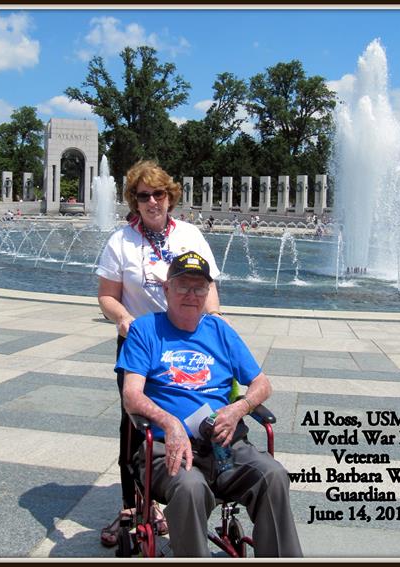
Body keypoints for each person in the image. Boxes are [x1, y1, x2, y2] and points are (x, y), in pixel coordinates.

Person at [119, 252, 303, 557]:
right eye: (183, 286)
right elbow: (132, 395)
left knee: (273, 475)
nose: (191, 295)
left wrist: (237, 409)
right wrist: (170, 423)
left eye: (199, 288)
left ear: (208, 292)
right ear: (166, 289)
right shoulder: (145, 330)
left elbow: (262, 384)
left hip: (225, 446)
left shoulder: (221, 332)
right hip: (168, 448)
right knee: (190, 487)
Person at [96, 160, 223, 547]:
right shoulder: (121, 240)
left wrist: (216, 323)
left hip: (186, 342)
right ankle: (131, 507)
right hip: (141, 341)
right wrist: (124, 318)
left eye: (158, 194)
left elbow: (209, 289)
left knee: (190, 412)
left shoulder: (190, 235)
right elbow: (106, 295)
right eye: (143, 195)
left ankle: (181, 491)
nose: (152, 201)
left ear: (170, 196)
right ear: (133, 201)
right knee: (134, 425)